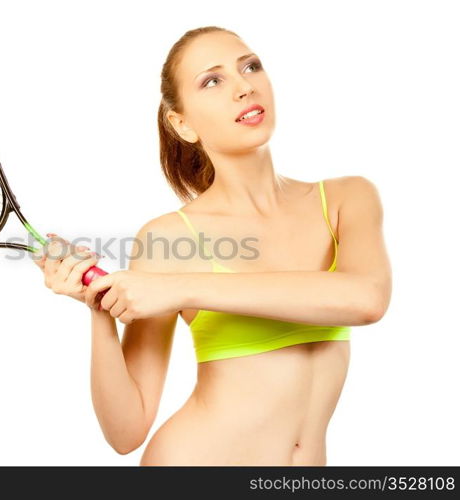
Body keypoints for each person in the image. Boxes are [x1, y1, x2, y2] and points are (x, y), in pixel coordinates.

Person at [32, 26, 392, 466]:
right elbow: (126, 432)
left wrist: (182, 287)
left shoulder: (345, 198)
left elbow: (366, 299)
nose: (244, 86)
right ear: (181, 123)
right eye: (212, 80)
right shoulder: (169, 237)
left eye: (250, 66)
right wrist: (99, 311)